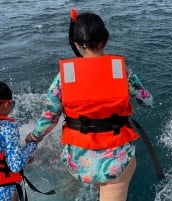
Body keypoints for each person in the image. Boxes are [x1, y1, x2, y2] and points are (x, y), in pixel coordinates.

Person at [25, 9, 153, 201]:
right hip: (115, 163)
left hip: (80, 162)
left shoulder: (64, 78)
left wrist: (32, 137)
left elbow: (49, 117)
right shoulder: (121, 72)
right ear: (104, 40)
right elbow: (147, 100)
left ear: (77, 44)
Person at [0, 81, 37, 201]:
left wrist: (21, 154)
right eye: (12, 104)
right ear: (6, 104)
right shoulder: (7, 126)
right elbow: (15, 165)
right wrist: (31, 143)